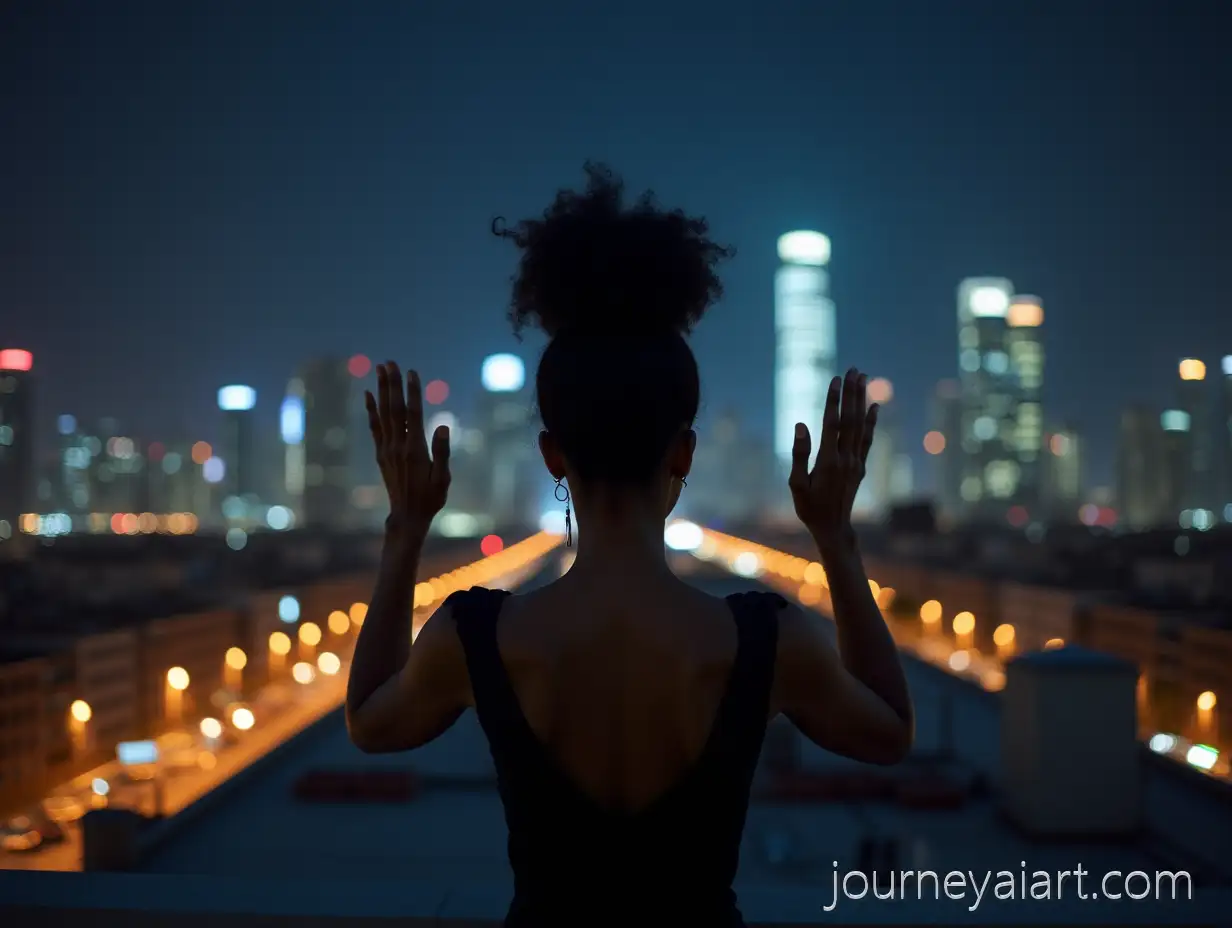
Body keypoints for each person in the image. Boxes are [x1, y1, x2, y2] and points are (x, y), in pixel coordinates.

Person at [345, 164, 913, 926]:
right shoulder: (767, 641)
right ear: (683, 452)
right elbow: (888, 732)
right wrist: (836, 540)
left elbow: (369, 722)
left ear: (552, 455)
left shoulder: (472, 636)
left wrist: (404, 529)